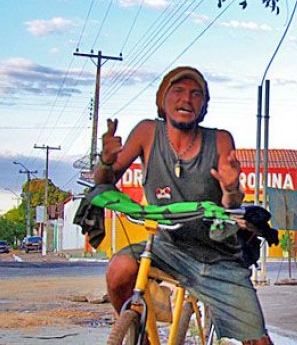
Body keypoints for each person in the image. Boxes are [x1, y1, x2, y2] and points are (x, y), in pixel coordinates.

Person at [95, 66, 273, 344]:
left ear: (203, 107)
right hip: (167, 247)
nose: (186, 99)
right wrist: (105, 161)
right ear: (162, 101)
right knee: (119, 268)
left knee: (258, 340)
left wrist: (230, 188)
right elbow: (106, 179)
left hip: (217, 256)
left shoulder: (220, 140)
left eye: (196, 94)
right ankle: (133, 331)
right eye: (177, 91)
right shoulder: (147, 132)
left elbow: (232, 202)